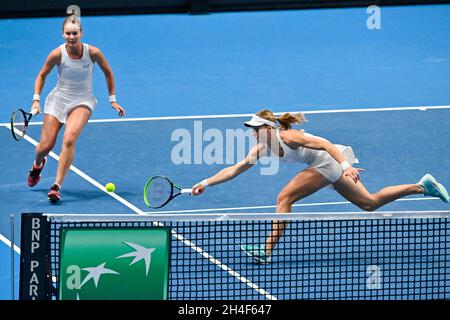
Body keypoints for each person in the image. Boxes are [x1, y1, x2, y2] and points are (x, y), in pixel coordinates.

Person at [191, 109, 449, 263]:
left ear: (269, 128)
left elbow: (326, 145)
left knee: (285, 197)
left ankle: (266, 249)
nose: (252, 132)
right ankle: (422, 187)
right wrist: (203, 183)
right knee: (369, 203)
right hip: (329, 165)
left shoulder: (289, 136)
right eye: (251, 129)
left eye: (255, 128)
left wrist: (346, 166)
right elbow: (235, 169)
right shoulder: (261, 147)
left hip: (330, 161)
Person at [27, 13, 125, 203]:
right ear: (63, 35)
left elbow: (108, 73)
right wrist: (36, 100)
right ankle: (38, 165)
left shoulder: (93, 53)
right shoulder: (57, 54)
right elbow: (41, 76)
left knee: (70, 139)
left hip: (83, 101)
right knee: (45, 146)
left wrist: (112, 99)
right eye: (68, 34)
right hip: (58, 100)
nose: (71, 37)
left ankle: (56, 186)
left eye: (75, 33)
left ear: (81, 33)